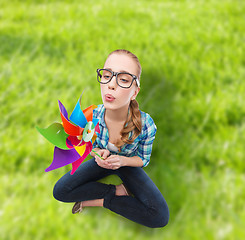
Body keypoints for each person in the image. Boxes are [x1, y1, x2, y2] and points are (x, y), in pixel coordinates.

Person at [53, 49, 169, 228]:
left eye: (123, 80)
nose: (111, 85)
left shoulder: (146, 124)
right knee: (60, 191)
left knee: (160, 216)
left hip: (126, 165)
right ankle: (118, 191)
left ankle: (98, 201)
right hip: (101, 162)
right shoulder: (92, 116)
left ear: (135, 92)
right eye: (106, 76)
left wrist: (122, 160)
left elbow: (143, 159)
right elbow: (83, 142)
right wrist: (97, 152)